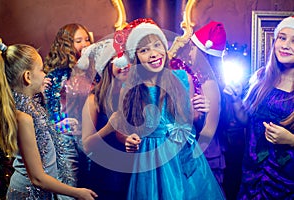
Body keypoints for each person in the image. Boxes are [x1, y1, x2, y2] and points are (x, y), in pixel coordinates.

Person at [109, 18, 225, 200]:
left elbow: (190, 118)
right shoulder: (129, 88)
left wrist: (200, 111)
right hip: (150, 162)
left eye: (157, 45)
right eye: (144, 50)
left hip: (184, 158)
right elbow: (121, 130)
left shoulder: (182, 78)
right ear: (136, 57)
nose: (153, 53)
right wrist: (127, 139)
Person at [0, 41, 97, 199]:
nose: (45, 75)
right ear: (27, 77)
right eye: (41, 70)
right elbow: (38, 179)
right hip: (29, 195)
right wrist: (77, 192)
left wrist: (58, 126)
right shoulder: (23, 117)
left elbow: (39, 138)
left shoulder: (32, 108)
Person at [224, 16, 294, 199]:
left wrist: (291, 140)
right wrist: (236, 100)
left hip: (286, 179)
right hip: (252, 173)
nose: (286, 45)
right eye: (282, 37)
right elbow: (247, 120)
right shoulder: (261, 78)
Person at [171, 21, 227, 189]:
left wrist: (191, 156)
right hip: (184, 147)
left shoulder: (210, 81)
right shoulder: (185, 74)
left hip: (204, 151)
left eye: (193, 47)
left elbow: (209, 128)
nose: (190, 50)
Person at [43, 23, 93, 199]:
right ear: (66, 45)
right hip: (66, 139)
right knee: (69, 190)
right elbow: (50, 113)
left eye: (87, 39)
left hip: (91, 138)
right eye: (78, 40)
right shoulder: (55, 76)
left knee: (92, 187)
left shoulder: (95, 72)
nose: (85, 44)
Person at [78, 38, 131, 200]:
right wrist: (108, 128)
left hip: (134, 172)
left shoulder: (135, 94)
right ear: (108, 66)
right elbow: (87, 145)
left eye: (128, 61)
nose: (124, 67)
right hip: (107, 176)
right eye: (119, 62)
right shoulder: (95, 99)